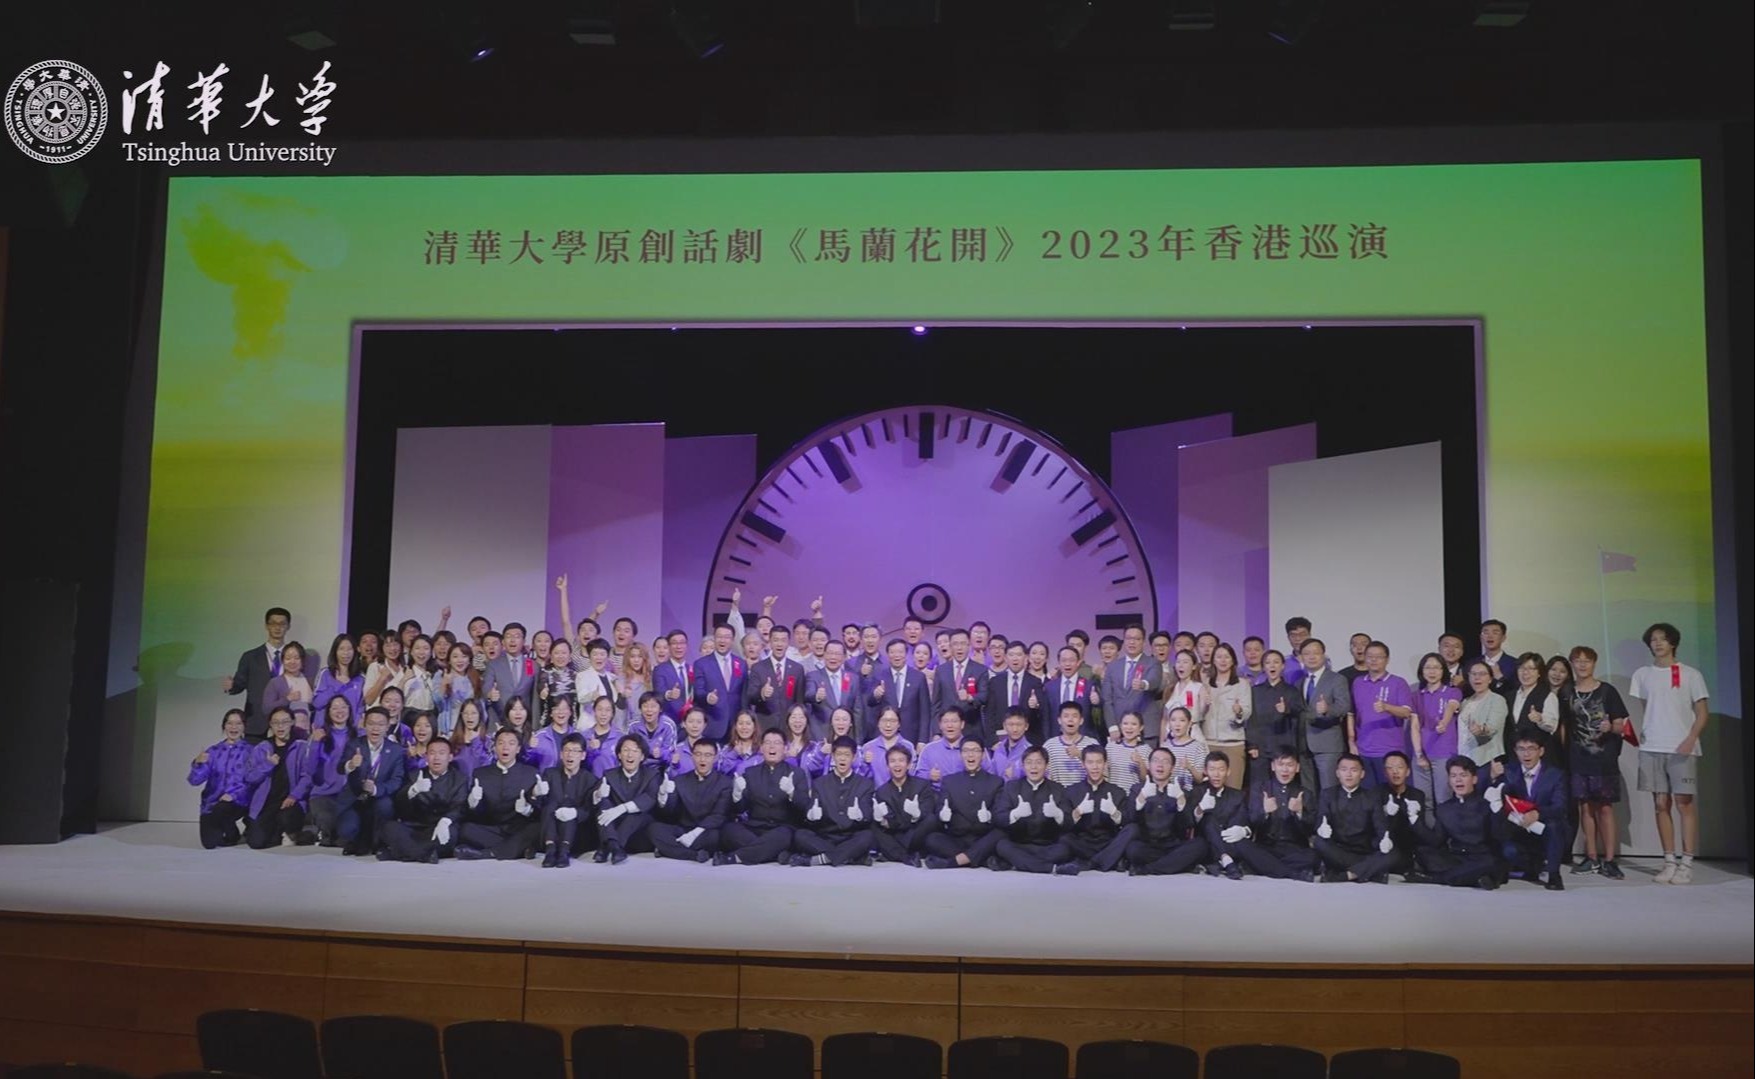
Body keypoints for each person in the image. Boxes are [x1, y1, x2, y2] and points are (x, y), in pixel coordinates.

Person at [1632, 623, 1707, 872]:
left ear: (1673, 642)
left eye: (1663, 639)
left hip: (1681, 748)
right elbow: (1647, 708)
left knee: (1684, 804)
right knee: (1660, 804)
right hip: (1652, 747)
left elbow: (1702, 712)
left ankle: (1687, 862)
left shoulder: (1691, 674)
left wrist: (1691, 738)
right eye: (1653, 639)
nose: (1658, 643)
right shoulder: (1642, 674)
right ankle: (1669, 861)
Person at [1566, 645, 1629, 879]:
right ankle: (1591, 857)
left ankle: (1609, 860)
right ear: (1572, 664)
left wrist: (1610, 727)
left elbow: (1622, 726)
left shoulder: (1607, 691)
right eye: (1578, 660)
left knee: (1604, 808)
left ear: (1594, 664)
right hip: (1578, 758)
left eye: (1587, 661)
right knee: (1585, 808)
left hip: (1604, 759)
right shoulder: (1567, 692)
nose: (1582, 665)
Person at [1405, 757, 1508, 890]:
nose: (1458, 780)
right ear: (1449, 780)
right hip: (1456, 858)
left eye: (1463, 775)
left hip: (1482, 857)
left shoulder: (1487, 803)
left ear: (1474, 779)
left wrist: (1497, 810)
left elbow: (1500, 836)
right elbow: (1437, 841)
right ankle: (1476, 879)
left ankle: (1436, 879)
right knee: (1423, 852)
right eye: (1453, 776)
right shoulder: (1444, 808)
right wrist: (1415, 820)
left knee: (1492, 863)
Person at [716, 728, 811, 866]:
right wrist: (737, 795)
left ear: (785, 749)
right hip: (754, 828)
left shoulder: (797, 773)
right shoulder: (750, 772)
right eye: (767, 743)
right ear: (761, 748)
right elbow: (739, 809)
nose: (772, 747)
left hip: (782, 828)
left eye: (777, 743)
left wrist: (792, 793)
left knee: (785, 835)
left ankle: (736, 857)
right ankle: (773, 853)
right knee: (728, 829)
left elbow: (805, 808)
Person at [1227, 750, 1318, 881]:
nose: (1285, 770)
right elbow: (1252, 822)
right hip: (1266, 846)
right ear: (1273, 766)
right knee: (1241, 845)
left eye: (1290, 765)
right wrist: (1264, 812)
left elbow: (1311, 829)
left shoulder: (1305, 793)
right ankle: (1293, 874)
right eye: (1281, 764)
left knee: (1314, 855)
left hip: (1294, 848)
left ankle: (1263, 867)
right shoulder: (1260, 789)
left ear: (1297, 768)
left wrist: (1299, 813)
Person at [1493, 731, 1568, 890]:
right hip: (1517, 828)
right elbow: (1494, 799)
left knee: (1556, 826)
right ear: (1515, 751)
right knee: (1506, 845)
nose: (1526, 754)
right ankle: (1526, 867)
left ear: (1541, 751)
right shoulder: (1508, 772)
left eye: (1531, 749)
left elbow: (1560, 807)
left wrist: (1537, 813)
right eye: (1521, 749)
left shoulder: (1555, 775)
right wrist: (1492, 777)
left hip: (1544, 827)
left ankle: (1554, 874)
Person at [454, 728, 541, 861]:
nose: (505, 747)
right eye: (501, 743)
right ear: (494, 747)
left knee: (537, 828)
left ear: (518, 749)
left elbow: (538, 812)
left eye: (511, 743)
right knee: (465, 829)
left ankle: (488, 853)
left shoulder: (530, 773)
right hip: (492, 828)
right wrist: (473, 804)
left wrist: (527, 810)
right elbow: (477, 815)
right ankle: (518, 849)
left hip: (519, 828)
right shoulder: (481, 774)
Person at [378, 737, 468, 864]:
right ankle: (424, 854)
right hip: (414, 828)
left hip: (439, 827)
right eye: (432, 753)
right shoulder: (414, 775)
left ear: (450, 757)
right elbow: (399, 805)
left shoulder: (459, 779)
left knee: (451, 835)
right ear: (426, 757)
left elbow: (460, 806)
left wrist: (445, 821)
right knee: (389, 827)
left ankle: (399, 853)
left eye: (441, 753)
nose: (436, 758)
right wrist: (413, 790)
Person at [991, 746, 1079, 875]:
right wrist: (1014, 814)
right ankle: (1052, 868)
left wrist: (1058, 815)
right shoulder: (1011, 787)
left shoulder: (1058, 789)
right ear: (1022, 766)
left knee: (1065, 848)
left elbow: (1069, 823)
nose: (1034, 767)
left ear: (1046, 765)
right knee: (1002, 845)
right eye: (1029, 762)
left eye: (1038, 762)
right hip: (1018, 844)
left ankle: (1018, 863)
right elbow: (998, 818)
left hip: (1047, 846)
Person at [921, 738, 1006, 869]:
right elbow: (940, 809)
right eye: (966, 751)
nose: (970, 755)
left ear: (983, 754)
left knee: (1000, 834)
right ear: (960, 755)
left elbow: (1000, 814)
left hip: (983, 838)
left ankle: (952, 862)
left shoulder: (996, 782)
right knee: (932, 839)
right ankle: (980, 859)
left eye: (975, 750)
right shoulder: (949, 781)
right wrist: (942, 815)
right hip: (957, 839)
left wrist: (990, 817)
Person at [333, 707, 407, 856]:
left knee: (385, 806)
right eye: (371, 724)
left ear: (387, 726)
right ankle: (356, 839)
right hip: (355, 797)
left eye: (380, 724)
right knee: (346, 830)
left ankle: (377, 842)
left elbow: (397, 780)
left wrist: (376, 789)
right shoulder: (354, 745)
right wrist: (351, 764)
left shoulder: (396, 750)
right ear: (364, 725)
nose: (375, 728)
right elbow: (340, 768)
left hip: (379, 797)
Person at [791, 737, 875, 866]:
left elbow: (868, 816)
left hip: (851, 836)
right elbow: (812, 818)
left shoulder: (865, 784)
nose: (842, 759)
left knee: (867, 836)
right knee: (800, 835)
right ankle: (851, 857)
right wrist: (811, 817)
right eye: (839, 754)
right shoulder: (819, 783)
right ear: (833, 756)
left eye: (847, 755)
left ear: (854, 757)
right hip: (825, 837)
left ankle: (819, 860)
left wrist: (860, 815)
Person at [1312, 754, 1396, 883]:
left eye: (1354, 770)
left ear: (1362, 774)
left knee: (1392, 853)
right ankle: (1370, 872)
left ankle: (1347, 875)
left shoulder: (1372, 796)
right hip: (1337, 850)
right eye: (1344, 769)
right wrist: (1321, 828)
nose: (1348, 774)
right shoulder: (1327, 794)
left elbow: (1380, 825)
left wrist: (1385, 839)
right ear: (1337, 773)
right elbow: (1320, 820)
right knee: (1319, 842)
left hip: (1363, 850)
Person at [1123, 748, 1207, 877]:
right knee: (1132, 849)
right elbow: (1130, 820)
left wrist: (1181, 802)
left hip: (1173, 845)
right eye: (1156, 761)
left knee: (1200, 845)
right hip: (1147, 845)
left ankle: (1148, 869)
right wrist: (1141, 798)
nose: (1160, 765)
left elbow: (1187, 825)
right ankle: (1178, 864)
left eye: (1166, 762)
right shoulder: (1137, 789)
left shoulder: (1180, 792)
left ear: (1172, 768)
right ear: (1149, 766)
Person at [243, 707, 319, 849]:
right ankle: (280, 833)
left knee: (287, 818)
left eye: (285, 722)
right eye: (276, 722)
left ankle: (291, 831)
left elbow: (307, 776)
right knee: (256, 843)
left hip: (291, 801)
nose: (280, 726)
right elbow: (250, 777)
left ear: (292, 723)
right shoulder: (262, 748)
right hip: (267, 802)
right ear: (270, 725)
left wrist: (294, 796)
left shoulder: (301, 747)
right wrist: (268, 764)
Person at [652, 738, 733, 863]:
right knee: (654, 829)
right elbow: (670, 813)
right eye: (698, 754)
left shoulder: (725, 782)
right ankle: (693, 855)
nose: (702, 759)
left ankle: (668, 850)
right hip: (683, 829)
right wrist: (663, 796)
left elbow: (718, 816)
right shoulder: (680, 780)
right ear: (692, 756)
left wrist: (694, 834)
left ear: (715, 758)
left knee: (717, 837)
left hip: (706, 831)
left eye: (708, 755)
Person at [1347, 641, 1414, 786]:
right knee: (1368, 794)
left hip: (1390, 751)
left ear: (1387, 659)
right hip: (1363, 750)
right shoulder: (1358, 682)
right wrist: (1351, 742)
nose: (1374, 660)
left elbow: (1407, 712)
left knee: (1390, 793)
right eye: (1370, 656)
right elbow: (1351, 714)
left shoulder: (1398, 682)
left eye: (1378, 657)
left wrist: (1387, 707)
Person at [223, 607, 293, 741]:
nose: (277, 627)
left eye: (282, 624)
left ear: (288, 626)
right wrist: (231, 686)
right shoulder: (250, 657)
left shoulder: (295, 658)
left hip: (286, 723)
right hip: (256, 722)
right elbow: (239, 685)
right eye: (273, 623)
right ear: (266, 626)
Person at [189, 709, 255, 847]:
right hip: (212, 803)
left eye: (238, 723)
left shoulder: (250, 751)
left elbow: (253, 781)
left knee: (222, 809)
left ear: (244, 726)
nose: (233, 727)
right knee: (209, 844)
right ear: (224, 726)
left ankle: (232, 834)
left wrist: (234, 795)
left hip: (237, 801)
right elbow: (194, 781)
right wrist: (197, 764)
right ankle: (225, 830)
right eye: (230, 723)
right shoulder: (213, 751)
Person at [1296, 638, 1352, 796]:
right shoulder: (1299, 682)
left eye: (1316, 653)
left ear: (1324, 655)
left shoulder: (1337, 679)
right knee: (1308, 792)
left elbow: (1344, 706)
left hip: (1328, 745)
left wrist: (1328, 709)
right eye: (1307, 653)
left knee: (1329, 791)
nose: (1311, 657)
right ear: (1301, 657)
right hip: (1303, 746)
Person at [1062, 744, 1131, 871]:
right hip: (1082, 843)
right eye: (1090, 762)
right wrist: (1077, 812)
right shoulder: (1071, 791)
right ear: (1083, 764)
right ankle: (1107, 861)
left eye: (1099, 762)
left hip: (1108, 843)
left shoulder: (1117, 792)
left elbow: (1127, 822)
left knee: (1132, 830)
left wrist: (1115, 813)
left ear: (1105, 764)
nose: (1095, 767)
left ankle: (1091, 862)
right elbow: (1064, 824)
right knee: (1063, 838)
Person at [594, 734, 661, 864]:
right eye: (626, 750)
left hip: (639, 832)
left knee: (637, 812)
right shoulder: (609, 774)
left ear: (642, 756)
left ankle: (606, 847)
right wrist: (598, 794)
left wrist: (622, 808)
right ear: (619, 755)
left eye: (635, 751)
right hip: (615, 826)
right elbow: (598, 800)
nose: (630, 755)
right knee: (603, 807)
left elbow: (649, 798)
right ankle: (615, 847)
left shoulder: (652, 775)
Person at [1410, 652, 1463, 805]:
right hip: (1421, 754)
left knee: (1444, 799)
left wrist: (1444, 723)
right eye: (1428, 668)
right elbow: (1414, 725)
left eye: (1436, 668)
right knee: (1423, 800)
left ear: (1443, 671)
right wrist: (1419, 754)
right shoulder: (1416, 696)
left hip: (1444, 753)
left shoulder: (1453, 691)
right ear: (1422, 671)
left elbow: (1451, 706)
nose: (1432, 672)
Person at [871, 745, 938, 866]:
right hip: (895, 834)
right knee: (873, 824)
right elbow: (892, 824)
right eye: (892, 761)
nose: (897, 764)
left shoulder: (922, 785)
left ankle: (894, 853)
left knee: (931, 820)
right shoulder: (882, 791)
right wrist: (883, 821)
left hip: (916, 834)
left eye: (901, 760)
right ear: (887, 766)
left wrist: (917, 815)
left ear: (908, 765)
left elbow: (928, 810)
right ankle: (906, 857)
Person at [1188, 752, 1250, 877]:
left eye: (1221, 770)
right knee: (1208, 819)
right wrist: (1200, 809)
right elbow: (1187, 822)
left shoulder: (1237, 795)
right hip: (1205, 844)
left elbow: (1240, 821)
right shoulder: (1196, 792)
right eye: (1212, 769)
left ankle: (1223, 860)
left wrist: (1244, 830)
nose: (1216, 774)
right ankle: (1226, 860)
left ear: (1228, 772)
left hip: (1229, 842)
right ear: (1205, 771)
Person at [1246, 649, 1302, 785]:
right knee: (1259, 785)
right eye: (1268, 662)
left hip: (1284, 745)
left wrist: (1286, 710)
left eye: (1276, 662)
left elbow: (1299, 713)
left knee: (1282, 785)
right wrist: (1252, 745)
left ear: (1282, 666)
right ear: (1263, 667)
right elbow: (1251, 720)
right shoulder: (1255, 691)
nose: (1272, 665)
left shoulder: (1291, 691)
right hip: (1261, 747)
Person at [1200, 643, 1252, 786]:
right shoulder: (1205, 684)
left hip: (1233, 743)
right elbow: (1198, 714)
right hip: (1209, 743)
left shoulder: (1242, 684)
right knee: (1210, 789)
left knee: (1233, 788)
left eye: (1227, 657)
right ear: (1213, 660)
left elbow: (1247, 711)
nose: (1223, 660)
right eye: (1219, 657)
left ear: (1233, 660)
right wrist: (1204, 705)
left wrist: (1239, 712)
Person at [1103, 625, 1163, 745]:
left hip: (1146, 729)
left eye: (1137, 639)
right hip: (1120, 729)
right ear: (1124, 641)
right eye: (1129, 638)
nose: (1132, 642)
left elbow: (1154, 681)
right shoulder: (1113, 666)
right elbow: (1107, 699)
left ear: (1144, 642)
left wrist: (1143, 684)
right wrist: (1112, 726)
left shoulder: (1153, 663)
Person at [868, 638, 932, 745]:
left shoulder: (919, 677)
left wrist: (922, 740)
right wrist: (876, 695)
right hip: (885, 736)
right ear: (887, 655)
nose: (896, 655)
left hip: (911, 736)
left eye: (900, 652)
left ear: (906, 654)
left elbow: (925, 712)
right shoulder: (879, 675)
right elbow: (869, 702)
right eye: (892, 652)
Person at [1375, 751, 1426, 879]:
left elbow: (1421, 831)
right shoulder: (1375, 793)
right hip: (1383, 845)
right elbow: (1372, 827)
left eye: (1399, 767)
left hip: (1408, 846)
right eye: (1390, 768)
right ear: (1384, 772)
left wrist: (1414, 817)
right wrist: (1385, 814)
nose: (1395, 772)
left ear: (1408, 771)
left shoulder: (1417, 795)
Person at [932, 628, 990, 741]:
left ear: (969, 645)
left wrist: (970, 697)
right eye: (955, 644)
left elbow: (984, 696)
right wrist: (936, 732)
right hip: (947, 730)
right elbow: (936, 704)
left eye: (963, 644)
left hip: (971, 729)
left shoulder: (980, 670)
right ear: (950, 646)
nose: (959, 648)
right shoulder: (941, 670)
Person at [692, 624, 747, 742]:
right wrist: (708, 697)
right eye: (719, 637)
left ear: (732, 640)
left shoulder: (741, 664)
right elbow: (698, 691)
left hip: (735, 725)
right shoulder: (701, 664)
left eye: (727, 637)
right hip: (713, 722)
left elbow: (744, 694)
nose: (722, 640)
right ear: (714, 638)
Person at [1503, 652, 1560, 758]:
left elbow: (1552, 726)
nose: (1525, 673)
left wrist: (1540, 719)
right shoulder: (1509, 696)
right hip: (1513, 753)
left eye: (1531, 669)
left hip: (1538, 754)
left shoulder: (1548, 695)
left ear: (1539, 673)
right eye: (1522, 668)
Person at [1040, 646, 1099, 746]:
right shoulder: (1049, 687)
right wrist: (1047, 738)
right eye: (1064, 660)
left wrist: (1097, 702)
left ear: (1078, 662)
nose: (1067, 664)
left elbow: (1096, 715)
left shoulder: (1088, 685)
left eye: (1071, 660)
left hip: (1082, 739)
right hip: (1055, 739)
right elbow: (1046, 717)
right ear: (1059, 663)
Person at [482, 622, 538, 725]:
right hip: (499, 720)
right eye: (508, 636)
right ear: (503, 642)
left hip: (524, 722)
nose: (512, 640)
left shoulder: (530, 665)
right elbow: (486, 689)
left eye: (517, 636)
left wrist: (534, 725)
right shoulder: (494, 664)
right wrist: (489, 694)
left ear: (523, 641)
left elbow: (535, 697)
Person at [1456, 661, 1508, 771]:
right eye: (1473, 674)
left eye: (1482, 674)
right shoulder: (1465, 701)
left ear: (1490, 679)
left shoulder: (1497, 700)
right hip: (1464, 759)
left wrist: (1481, 730)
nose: (1477, 677)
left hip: (1486, 759)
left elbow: (1493, 727)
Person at [747, 625, 805, 723]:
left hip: (789, 723)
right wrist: (762, 694)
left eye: (783, 640)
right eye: (776, 640)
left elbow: (800, 701)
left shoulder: (797, 669)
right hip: (765, 723)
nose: (779, 644)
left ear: (788, 643)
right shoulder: (758, 668)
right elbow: (750, 697)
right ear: (770, 642)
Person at [804, 641, 860, 740]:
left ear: (844, 657)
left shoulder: (852, 678)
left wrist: (858, 739)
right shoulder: (813, 676)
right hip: (821, 734)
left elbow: (857, 711)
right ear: (824, 655)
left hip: (846, 736)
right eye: (830, 653)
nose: (833, 657)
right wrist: (816, 697)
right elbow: (808, 694)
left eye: (837, 654)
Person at [261, 641, 315, 734]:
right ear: (282, 660)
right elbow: (266, 709)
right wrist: (287, 699)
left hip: (307, 733)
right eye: (288, 658)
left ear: (302, 660)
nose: (292, 662)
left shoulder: (310, 681)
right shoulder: (275, 682)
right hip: (283, 734)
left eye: (296, 658)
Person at [312, 634, 365, 728]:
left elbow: (360, 709)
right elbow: (317, 703)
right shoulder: (325, 674)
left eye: (349, 649)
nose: (346, 653)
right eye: (341, 649)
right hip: (325, 729)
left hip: (350, 730)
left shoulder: (360, 678)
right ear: (335, 652)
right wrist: (335, 687)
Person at [1043, 702, 1100, 786]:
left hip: (1085, 793)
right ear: (1059, 720)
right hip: (1057, 792)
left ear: (1081, 720)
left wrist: (1081, 755)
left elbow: (1103, 773)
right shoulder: (1049, 746)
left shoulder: (1092, 743)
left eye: (1075, 716)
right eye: (1066, 716)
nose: (1070, 719)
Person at [913, 709, 970, 789]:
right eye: (945, 721)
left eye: (954, 721)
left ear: (962, 724)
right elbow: (918, 776)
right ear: (940, 725)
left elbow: (986, 773)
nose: (949, 725)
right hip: (937, 793)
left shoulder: (973, 748)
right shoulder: (929, 749)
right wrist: (929, 775)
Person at [1162, 649, 1207, 746]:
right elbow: (1165, 719)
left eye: (1185, 662)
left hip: (1191, 735)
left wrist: (1206, 705)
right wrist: (1162, 743)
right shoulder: (1170, 688)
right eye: (1178, 662)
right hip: (1170, 737)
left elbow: (1203, 712)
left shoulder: (1199, 687)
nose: (1181, 665)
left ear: (1194, 666)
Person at [625, 691, 679, 770]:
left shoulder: (669, 725)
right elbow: (626, 748)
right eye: (645, 706)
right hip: (638, 767)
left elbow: (672, 752)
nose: (649, 710)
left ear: (660, 709)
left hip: (661, 767)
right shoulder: (633, 725)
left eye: (653, 706)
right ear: (640, 708)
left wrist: (661, 753)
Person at [856, 706, 914, 779]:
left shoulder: (908, 746)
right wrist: (865, 763)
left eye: (893, 721)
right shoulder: (868, 747)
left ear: (899, 724)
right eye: (884, 721)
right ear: (878, 723)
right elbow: (861, 777)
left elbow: (913, 774)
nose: (888, 725)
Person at [432, 641, 475, 738]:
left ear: (469, 660)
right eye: (455, 657)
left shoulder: (474, 679)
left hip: (468, 731)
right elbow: (437, 702)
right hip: (447, 731)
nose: (460, 660)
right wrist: (444, 684)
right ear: (449, 660)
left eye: (464, 656)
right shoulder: (440, 676)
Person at [1103, 712, 1153, 792]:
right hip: (1112, 794)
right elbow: (1104, 773)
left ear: (1141, 727)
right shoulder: (1111, 747)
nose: (1129, 727)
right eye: (1125, 724)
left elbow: (1146, 779)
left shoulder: (1146, 749)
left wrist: (1140, 762)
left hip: (1134, 794)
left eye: (1134, 724)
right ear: (1120, 726)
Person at [527, 694, 577, 773]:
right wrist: (530, 749)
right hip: (546, 779)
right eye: (556, 708)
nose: (561, 712)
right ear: (551, 713)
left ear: (570, 712)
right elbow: (528, 764)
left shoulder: (577, 736)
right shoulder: (539, 736)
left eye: (564, 708)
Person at [1161, 706, 1207, 792]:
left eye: (1182, 720)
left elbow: (1200, 779)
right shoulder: (1164, 747)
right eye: (1173, 720)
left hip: (1189, 794)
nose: (1177, 724)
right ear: (1169, 724)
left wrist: (1189, 767)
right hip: (1167, 793)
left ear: (1189, 724)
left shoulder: (1198, 747)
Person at [536, 638, 578, 727]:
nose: (560, 656)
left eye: (564, 653)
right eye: (556, 653)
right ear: (551, 656)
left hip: (571, 722)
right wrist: (543, 690)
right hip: (549, 722)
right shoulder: (545, 673)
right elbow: (542, 684)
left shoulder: (576, 675)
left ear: (570, 656)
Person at [985, 709, 1034, 782]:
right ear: (1004, 726)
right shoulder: (998, 750)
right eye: (1011, 725)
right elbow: (991, 776)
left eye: (1019, 725)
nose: (1015, 729)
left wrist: (1017, 772)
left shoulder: (1031, 752)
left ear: (1026, 726)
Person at [717, 712, 763, 776]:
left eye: (748, 723)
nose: (744, 727)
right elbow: (721, 771)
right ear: (735, 727)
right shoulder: (727, 749)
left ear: (755, 727)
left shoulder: (762, 750)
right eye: (740, 723)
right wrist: (734, 754)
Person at [1474, 619, 1517, 686]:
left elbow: (1516, 689)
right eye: (1486, 633)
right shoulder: (1472, 663)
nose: (1490, 636)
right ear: (1481, 638)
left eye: (1495, 633)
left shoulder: (1514, 664)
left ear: (1503, 638)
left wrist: (1500, 678)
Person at [1282, 616, 1313, 690]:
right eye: (1293, 635)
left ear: (1309, 635)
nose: (1298, 639)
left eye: (1302, 634)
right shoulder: (1283, 662)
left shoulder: (1322, 660)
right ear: (1288, 638)